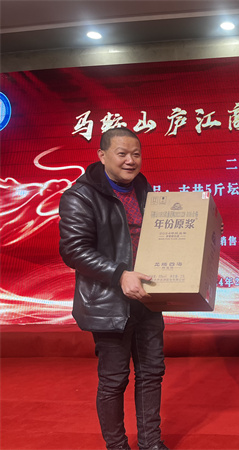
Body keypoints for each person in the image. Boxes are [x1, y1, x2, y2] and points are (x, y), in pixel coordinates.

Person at [59, 128, 169, 450]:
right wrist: (119, 274)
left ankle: (151, 443)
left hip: (147, 298)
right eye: (122, 154)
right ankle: (117, 446)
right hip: (108, 303)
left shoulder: (145, 190)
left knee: (152, 373)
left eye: (136, 154)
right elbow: (74, 250)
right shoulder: (80, 196)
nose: (130, 160)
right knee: (114, 379)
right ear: (102, 155)